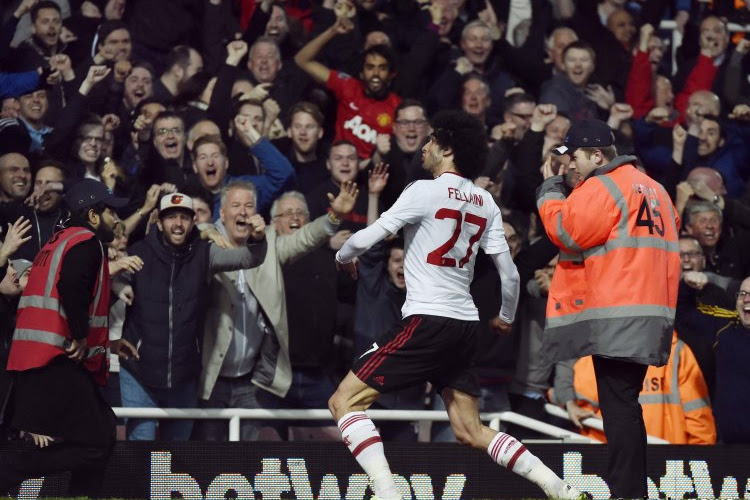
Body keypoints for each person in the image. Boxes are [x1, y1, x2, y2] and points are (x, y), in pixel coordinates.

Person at [329, 109, 582, 500]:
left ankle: (387, 492)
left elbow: (370, 236)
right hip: (465, 326)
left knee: (343, 401)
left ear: (447, 149)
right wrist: (505, 317)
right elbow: (510, 275)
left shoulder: (421, 190)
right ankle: (558, 487)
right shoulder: (485, 201)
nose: (424, 146)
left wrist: (343, 257)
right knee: (470, 430)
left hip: (427, 318)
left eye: (431, 141)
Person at [536, 119, 680, 498]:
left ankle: (627, 493)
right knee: (625, 407)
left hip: (619, 316)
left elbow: (565, 230)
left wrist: (551, 188)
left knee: (619, 410)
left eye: (577, 158)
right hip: (653, 315)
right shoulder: (657, 189)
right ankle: (631, 491)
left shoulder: (604, 184)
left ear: (598, 155)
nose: (572, 167)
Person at [0, 179, 141, 497]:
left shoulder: (59, 241)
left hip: (37, 359)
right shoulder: (86, 242)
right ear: (92, 215)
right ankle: (9, 470)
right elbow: (71, 288)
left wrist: (108, 345)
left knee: (100, 433)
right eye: (109, 212)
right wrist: (79, 336)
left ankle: (78, 492)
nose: (116, 219)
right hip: (51, 359)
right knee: (98, 439)